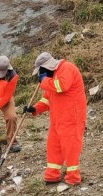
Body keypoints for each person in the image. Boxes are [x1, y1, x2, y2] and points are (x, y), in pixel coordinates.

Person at [24, 52, 86, 186]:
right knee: (53, 146)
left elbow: (62, 86)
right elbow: (47, 99)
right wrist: (34, 108)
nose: (40, 74)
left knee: (70, 147)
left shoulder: (67, 68)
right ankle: (52, 174)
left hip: (71, 117)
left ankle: (73, 176)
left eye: (41, 71)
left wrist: (44, 81)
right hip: (57, 119)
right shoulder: (51, 78)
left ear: (46, 67)